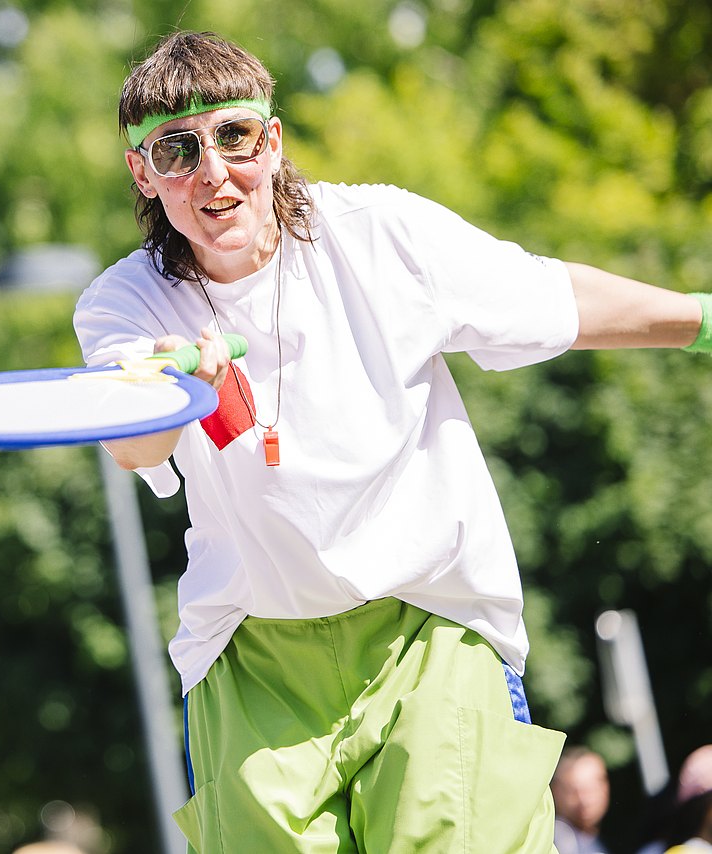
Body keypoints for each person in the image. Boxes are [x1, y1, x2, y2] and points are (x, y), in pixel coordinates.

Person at [72, 30, 708, 853]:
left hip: (429, 623)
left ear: (271, 141)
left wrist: (701, 321)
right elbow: (135, 452)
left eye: (232, 137)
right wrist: (166, 390)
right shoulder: (123, 305)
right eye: (176, 150)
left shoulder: (378, 234)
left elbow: (556, 297)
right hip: (252, 653)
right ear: (143, 173)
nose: (211, 173)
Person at [551, 746, 611, 853]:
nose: (584, 800)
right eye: (573, 792)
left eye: (590, 790)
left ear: (605, 787)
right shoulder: (555, 840)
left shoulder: (593, 838)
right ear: (556, 791)